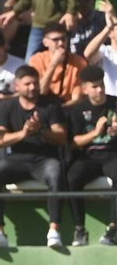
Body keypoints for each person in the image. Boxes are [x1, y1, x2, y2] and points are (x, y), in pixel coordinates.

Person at [62, 65, 117, 246]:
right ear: (84, 89)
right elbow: (73, 143)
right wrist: (95, 133)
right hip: (89, 156)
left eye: (101, 85)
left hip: (114, 154)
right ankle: (79, 228)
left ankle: (114, 228)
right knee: (72, 177)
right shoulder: (77, 110)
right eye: (94, 86)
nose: (99, 90)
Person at [0, 66, 67, 248]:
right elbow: (1, 139)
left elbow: (62, 137)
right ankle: (1, 232)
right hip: (17, 160)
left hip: (45, 160)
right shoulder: (6, 106)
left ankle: (54, 230)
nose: (32, 87)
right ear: (17, 86)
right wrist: (23, 133)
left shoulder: (51, 105)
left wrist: (41, 131)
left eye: (35, 83)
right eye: (27, 84)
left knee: (56, 173)